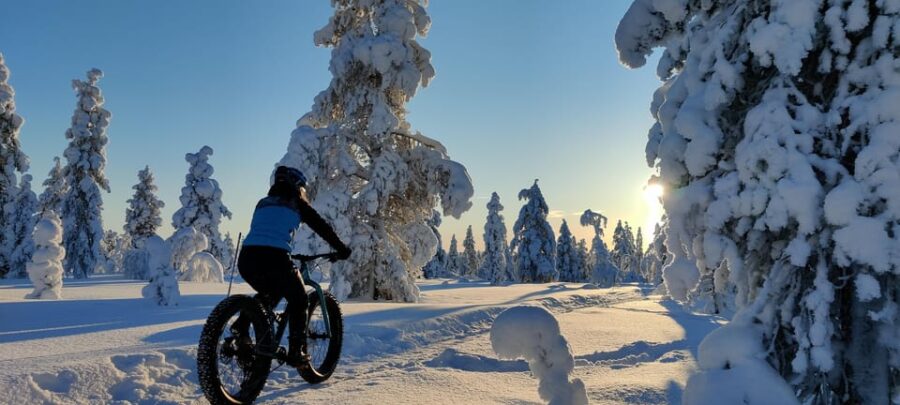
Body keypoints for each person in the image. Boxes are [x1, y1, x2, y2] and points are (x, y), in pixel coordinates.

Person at [236, 165, 350, 367]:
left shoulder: (262, 203)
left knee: (269, 292)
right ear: (297, 187)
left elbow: (267, 229)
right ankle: (297, 350)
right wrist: (341, 248)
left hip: (247, 259)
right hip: (276, 257)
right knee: (298, 300)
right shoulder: (297, 203)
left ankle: (242, 328)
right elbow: (322, 227)